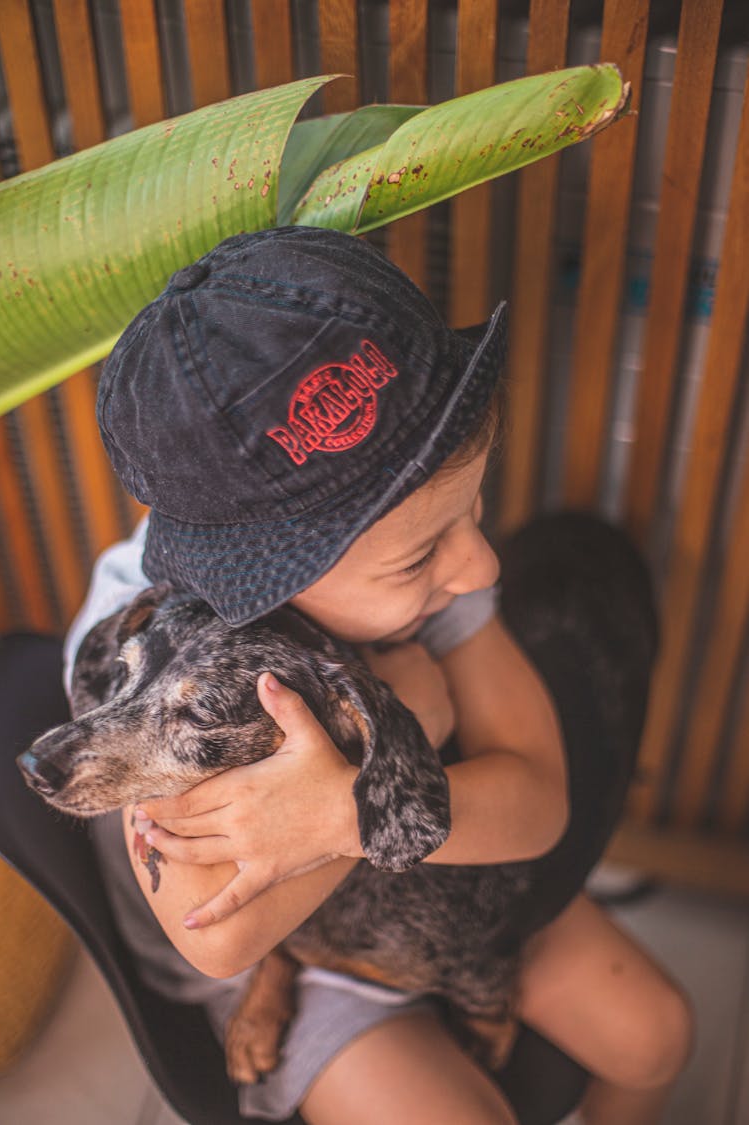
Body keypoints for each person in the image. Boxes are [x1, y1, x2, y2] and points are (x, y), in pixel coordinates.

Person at [65, 227, 692, 1125]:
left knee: (656, 1030)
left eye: (472, 512)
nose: (477, 569)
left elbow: (539, 798)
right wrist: (378, 774)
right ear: (267, 586)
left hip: (437, 886)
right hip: (286, 955)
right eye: (425, 554)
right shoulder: (143, 658)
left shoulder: (429, 576)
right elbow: (224, 934)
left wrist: (350, 806)